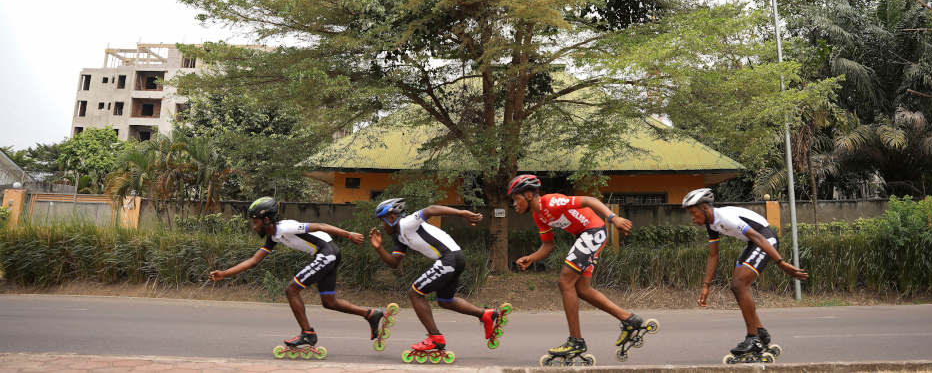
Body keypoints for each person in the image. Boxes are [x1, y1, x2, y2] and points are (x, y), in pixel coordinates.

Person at [209, 197, 390, 352]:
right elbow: (253, 261)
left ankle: (307, 334)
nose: (254, 226)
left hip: (327, 253)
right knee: (329, 302)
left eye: (255, 222)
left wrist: (348, 234)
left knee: (291, 290)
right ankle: (371, 314)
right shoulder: (273, 236)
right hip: (328, 254)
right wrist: (224, 274)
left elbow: (321, 225)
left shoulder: (286, 227)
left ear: (266, 220)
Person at [509, 174, 649, 360]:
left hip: (593, 231)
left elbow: (589, 200)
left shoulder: (551, 202)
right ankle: (630, 319)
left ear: (528, 195)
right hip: (586, 235)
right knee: (582, 289)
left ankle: (576, 341)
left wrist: (613, 218)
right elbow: (549, 245)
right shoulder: (539, 216)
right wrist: (531, 258)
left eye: (516, 199)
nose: (514, 204)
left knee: (564, 281)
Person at [368, 197, 508, 359]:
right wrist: (379, 248)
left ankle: (435, 338)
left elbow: (431, 210)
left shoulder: (406, 223)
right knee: (445, 301)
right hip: (454, 259)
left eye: (382, 221)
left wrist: (462, 213)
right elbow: (394, 263)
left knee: (415, 293)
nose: (381, 225)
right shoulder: (399, 236)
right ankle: (485, 315)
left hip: (449, 258)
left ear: (392, 218)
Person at [683, 188, 809, 358]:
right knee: (736, 287)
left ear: (704, 208)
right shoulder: (711, 223)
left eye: (693, 213)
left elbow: (759, 238)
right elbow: (713, 254)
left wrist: (782, 263)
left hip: (765, 239)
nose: (692, 218)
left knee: (739, 284)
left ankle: (754, 338)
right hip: (753, 243)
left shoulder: (725, 218)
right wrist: (706, 286)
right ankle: (760, 331)